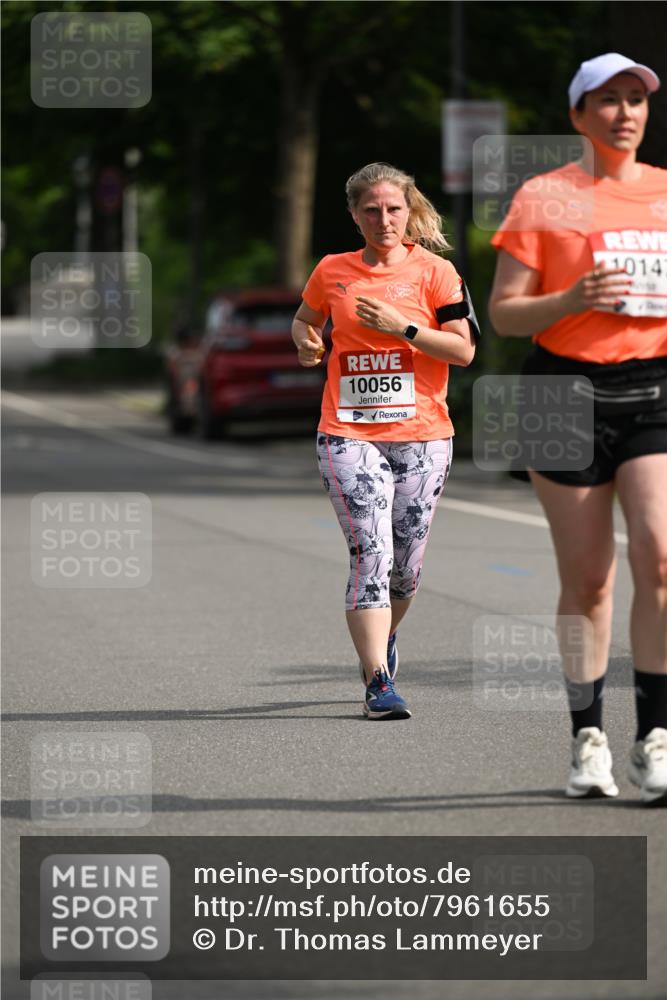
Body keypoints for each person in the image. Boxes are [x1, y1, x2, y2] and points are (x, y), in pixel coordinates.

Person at [489, 53, 667, 803]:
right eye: (607, 100)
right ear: (577, 116)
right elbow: (502, 312)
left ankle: (654, 738)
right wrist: (569, 298)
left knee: (660, 559)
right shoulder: (544, 197)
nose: (624, 112)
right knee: (588, 580)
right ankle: (585, 737)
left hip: (652, 387)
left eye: (635, 100)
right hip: (560, 392)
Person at [292, 162, 478, 720]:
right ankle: (378, 681)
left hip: (423, 434)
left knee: (406, 567)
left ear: (409, 210)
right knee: (370, 551)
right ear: (354, 215)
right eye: (370, 209)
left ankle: (383, 637)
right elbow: (305, 320)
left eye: (393, 208)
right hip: (348, 431)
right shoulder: (332, 270)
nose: (383, 219)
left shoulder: (437, 273)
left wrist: (403, 327)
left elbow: (464, 352)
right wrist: (307, 342)